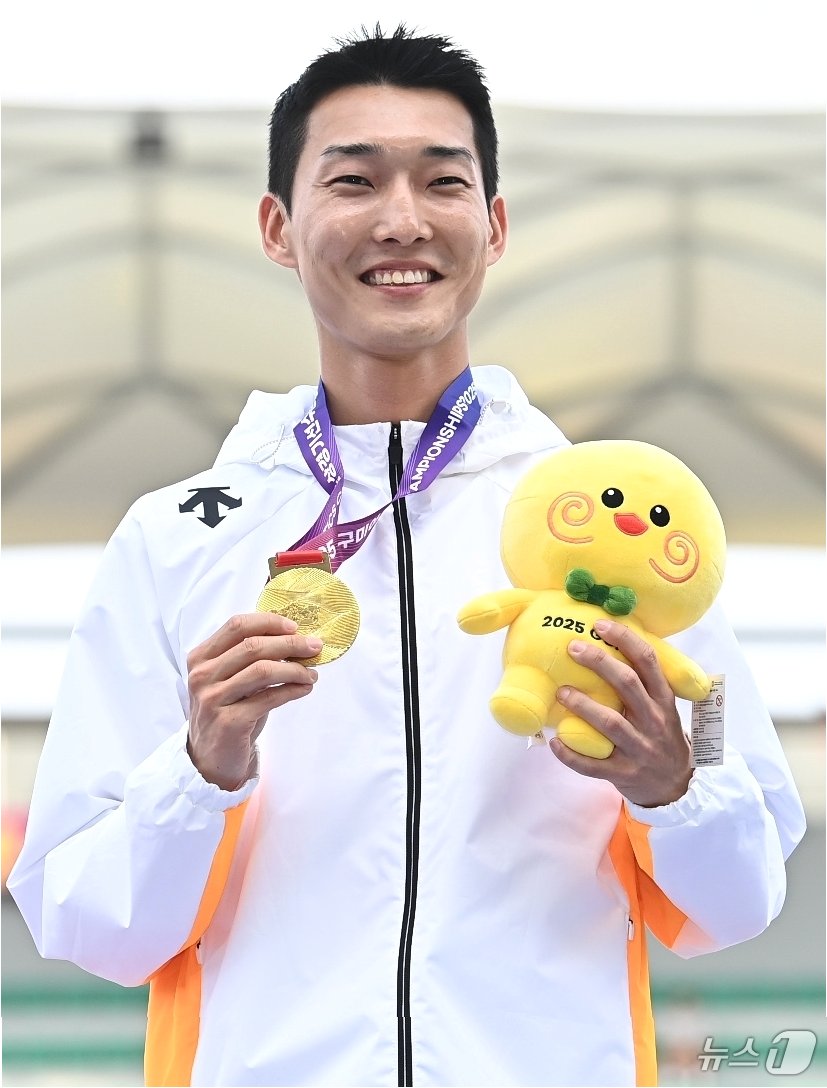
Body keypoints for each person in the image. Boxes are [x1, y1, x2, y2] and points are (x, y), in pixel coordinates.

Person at [8, 25, 805, 1088]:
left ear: (494, 225)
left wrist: (675, 784)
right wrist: (199, 771)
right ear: (278, 227)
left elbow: (742, 893)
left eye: (441, 181)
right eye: (354, 179)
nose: (401, 219)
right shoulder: (177, 539)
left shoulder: (625, 524)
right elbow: (81, 919)